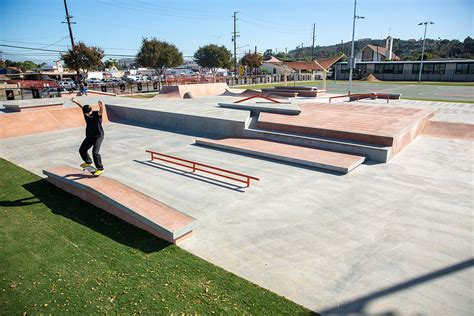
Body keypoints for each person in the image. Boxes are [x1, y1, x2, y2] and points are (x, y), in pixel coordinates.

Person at [71, 97, 105, 176]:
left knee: (95, 152)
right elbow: (82, 107)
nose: (87, 114)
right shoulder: (85, 112)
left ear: (91, 111)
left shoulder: (96, 114)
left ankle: (100, 168)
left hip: (98, 136)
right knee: (82, 150)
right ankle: (88, 162)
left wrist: (101, 106)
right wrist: (76, 102)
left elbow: (101, 112)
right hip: (89, 136)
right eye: (86, 113)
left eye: (88, 113)